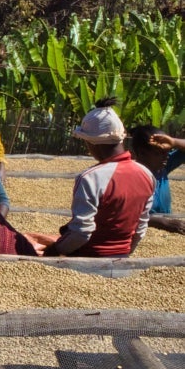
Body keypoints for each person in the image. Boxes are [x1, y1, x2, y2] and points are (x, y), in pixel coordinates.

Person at [32, 106, 152, 258]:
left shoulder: (90, 178)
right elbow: (141, 227)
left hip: (87, 257)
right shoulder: (146, 174)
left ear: (92, 143)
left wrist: (54, 250)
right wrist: (124, 254)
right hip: (123, 256)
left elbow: (81, 232)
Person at [130, 126, 184, 235]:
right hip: (144, 233)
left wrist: (174, 142)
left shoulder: (162, 169)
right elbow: (126, 215)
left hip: (168, 231)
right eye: (159, 152)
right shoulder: (130, 177)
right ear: (142, 153)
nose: (166, 156)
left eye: (168, 152)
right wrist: (161, 222)